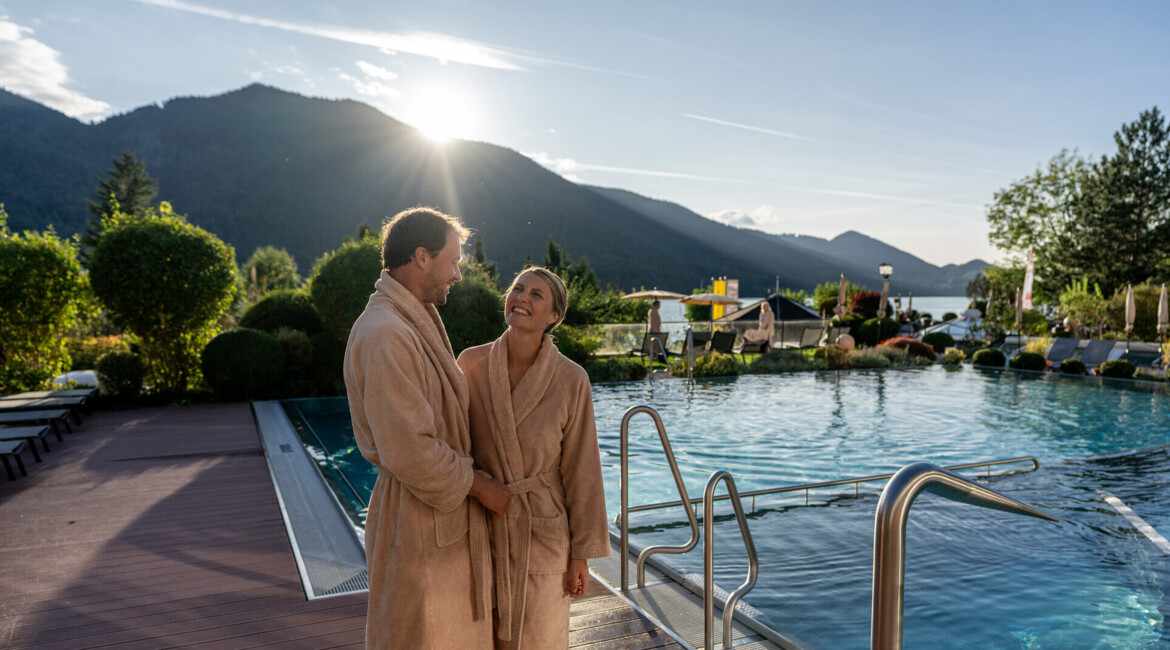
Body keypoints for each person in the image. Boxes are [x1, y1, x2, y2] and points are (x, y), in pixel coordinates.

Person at [344, 207, 510, 649]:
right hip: (418, 523)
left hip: (437, 520)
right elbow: (409, 450)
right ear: (421, 257)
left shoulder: (408, 322)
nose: (457, 274)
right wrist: (478, 485)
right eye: (453, 261)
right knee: (421, 637)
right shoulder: (386, 334)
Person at [457, 267, 611, 649]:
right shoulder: (471, 364)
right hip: (480, 524)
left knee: (541, 638)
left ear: (553, 316)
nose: (523, 297)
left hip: (542, 531)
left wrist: (581, 554)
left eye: (537, 295)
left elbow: (583, 470)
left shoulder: (571, 379)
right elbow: (452, 444)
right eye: (518, 288)